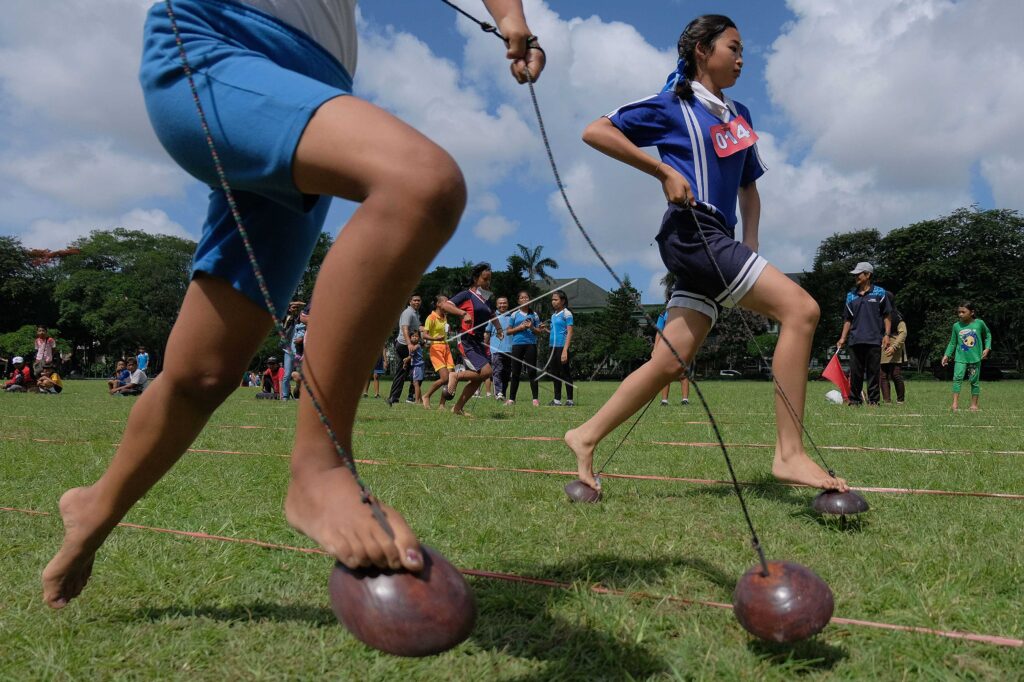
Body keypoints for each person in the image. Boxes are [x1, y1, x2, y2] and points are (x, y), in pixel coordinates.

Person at [42, 0, 544, 609]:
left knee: (205, 372)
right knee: (420, 181)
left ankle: (94, 506)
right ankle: (320, 469)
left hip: (309, 87)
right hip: (215, 48)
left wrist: (511, 18)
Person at [566, 14, 847, 494]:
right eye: (733, 48)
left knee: (670, 361)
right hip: (692, 233)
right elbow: (595, 131)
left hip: (720, 239)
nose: (741, 59)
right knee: (801, 310)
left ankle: (585, 435)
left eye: (743, 52)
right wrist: (661, 171)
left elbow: (749, 188)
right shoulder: (672, 105)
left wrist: (750, 243)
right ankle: (790, 455)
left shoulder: (740, 115)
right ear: (702, 49)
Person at [440, 263, 503, 416]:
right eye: (485, 279)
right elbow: (445, 305)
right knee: (487, 372)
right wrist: (462, 313)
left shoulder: (486, 299)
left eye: (489, 280)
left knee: (478, 378)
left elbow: (492, 315)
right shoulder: (467, 295)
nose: (488, 283)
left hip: (479, 342)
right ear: (476, 279)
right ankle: (455, 375)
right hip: (467, 340)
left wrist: (499, 329)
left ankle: (457, 408)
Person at [835, 262, 892, 406]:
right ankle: (854, 401)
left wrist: (887, 335)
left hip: (874, 339)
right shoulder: (850, 296)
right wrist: (842, 338)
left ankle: (873, 401)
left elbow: (887, 315)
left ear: (868, 275)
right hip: (855, 340)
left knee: (873, 373)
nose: (856, 277)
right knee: (855, 373)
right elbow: (847, 319)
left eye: (858, 274)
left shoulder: (880, 293)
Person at [941, 302, 992, 412]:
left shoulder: (980, 323)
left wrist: (987, 348)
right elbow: (952, 343)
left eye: (963, 312)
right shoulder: (956, 326)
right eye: (959, 312)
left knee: (974, 381)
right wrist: (946, 355)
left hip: (975, 358)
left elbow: (988, 335)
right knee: (957, 379)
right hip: (960, 358)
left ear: (972, 312)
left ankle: (974, 405)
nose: (960, 314)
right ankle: (954, 404)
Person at [506, 290, 541, 407]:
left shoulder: (534, 315)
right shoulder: (514, 314)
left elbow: (539, 331)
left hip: (531, 345)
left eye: (526, 298)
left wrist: (532, 327)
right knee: (515, 372)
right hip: (517, 345)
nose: (525, 299)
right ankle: (512, 399)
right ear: (518, 301)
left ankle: (535, 399)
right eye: (522, 298)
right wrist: (519, 328)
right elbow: (508, 331)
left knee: (532, 372)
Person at [420, 296, 457, 409]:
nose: (448, 305)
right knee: (445, 378)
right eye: (445, 302)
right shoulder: (431, 317)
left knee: (451, 377)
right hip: (436, 349)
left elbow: (444, 331)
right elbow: (424, 335)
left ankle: (442, 404)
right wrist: (435, 338)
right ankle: (426, 396)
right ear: (438, 304)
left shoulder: (445, 316)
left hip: (446, 347)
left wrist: (448, 330)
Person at [387, 294, 422, 405]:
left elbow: (417, 328)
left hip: (408, 345)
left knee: (410, 371)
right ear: (410, 302)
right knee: (410, 370)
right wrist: (409, 344)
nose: (417, 302)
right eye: (415, 300)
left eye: (419, 300)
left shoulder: (415, 313)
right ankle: (397, 397)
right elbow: (405, 329)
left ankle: (398, 397)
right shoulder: (408, 313)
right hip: (404, 345)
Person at [541, 290, 574, 406]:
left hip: (561, 347)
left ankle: (570, 400)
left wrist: (565, 350)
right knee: (555, 373)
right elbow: (555, 331)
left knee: (565, 373)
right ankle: (557, 400)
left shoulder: (567, 314)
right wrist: (546, 330)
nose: (553, 302)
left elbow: (570, 332)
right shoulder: (553, 315)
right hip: (552, 348)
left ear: (563, 301)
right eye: (552, 300)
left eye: (556, 299)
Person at [654, 306, 690, 406]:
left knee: (683, 374)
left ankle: (685, 400)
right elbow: (659, 331)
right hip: (666, 346)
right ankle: (664, 401)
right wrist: (655, 348)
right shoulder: (663, 314)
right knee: (665, 374)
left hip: (681, 346)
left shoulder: (684, 312)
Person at [485, 296, 513, 400]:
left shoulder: (512, 317)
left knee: (506, 373)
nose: (502, 305)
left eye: (504, 303)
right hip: (496, 349)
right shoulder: (492, 317)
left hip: (509, 349)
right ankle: (498, 393)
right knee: (497, 371)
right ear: (497, 305)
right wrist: (484, 347)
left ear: (507, 304)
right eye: (500, 303)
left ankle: (503, 393)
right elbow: (487, 333)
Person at [879, 301, 907, 404]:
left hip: (895, 346)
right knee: (883, 375)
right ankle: (887, 401)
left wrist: (894, 346)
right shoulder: (878, 315)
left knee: (895, 374)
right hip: (882, 346)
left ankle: (900, 400)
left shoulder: (897, 316)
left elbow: (903, 333)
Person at [280, 300, 306, 400]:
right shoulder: (286, 319)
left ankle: (301, 394)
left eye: (297, 308)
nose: (295, 309)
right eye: (293, 307)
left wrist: (302, 338)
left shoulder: (303, 320)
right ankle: (285, 397)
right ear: (289, 309)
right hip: (288, 351)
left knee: (303, 375)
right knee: (286, 375)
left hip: (300, 352)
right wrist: (292, 304)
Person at [407, 329, 425, 404]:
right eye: (413, 336)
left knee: (415, 383)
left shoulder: (417, 346)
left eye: (416, 336)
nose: (414, 337)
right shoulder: (415, 346)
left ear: (419, 338)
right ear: (410, 337)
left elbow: (412, 352)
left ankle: (417, 400)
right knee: (416, 383)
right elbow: (411, 356)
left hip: (418, 366)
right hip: (417, 366)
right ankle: (421, 400)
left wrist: (409, 344)